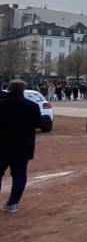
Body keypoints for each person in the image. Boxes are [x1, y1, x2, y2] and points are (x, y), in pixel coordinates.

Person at [0, 80, 42, 213]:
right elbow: (39, 123)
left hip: (2, 144)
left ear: (9, 89)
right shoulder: (32, 105)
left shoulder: (2, 104)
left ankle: (12, 203)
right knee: (19, 174)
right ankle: (13, 203)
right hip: (23, 145)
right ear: (23, 90)